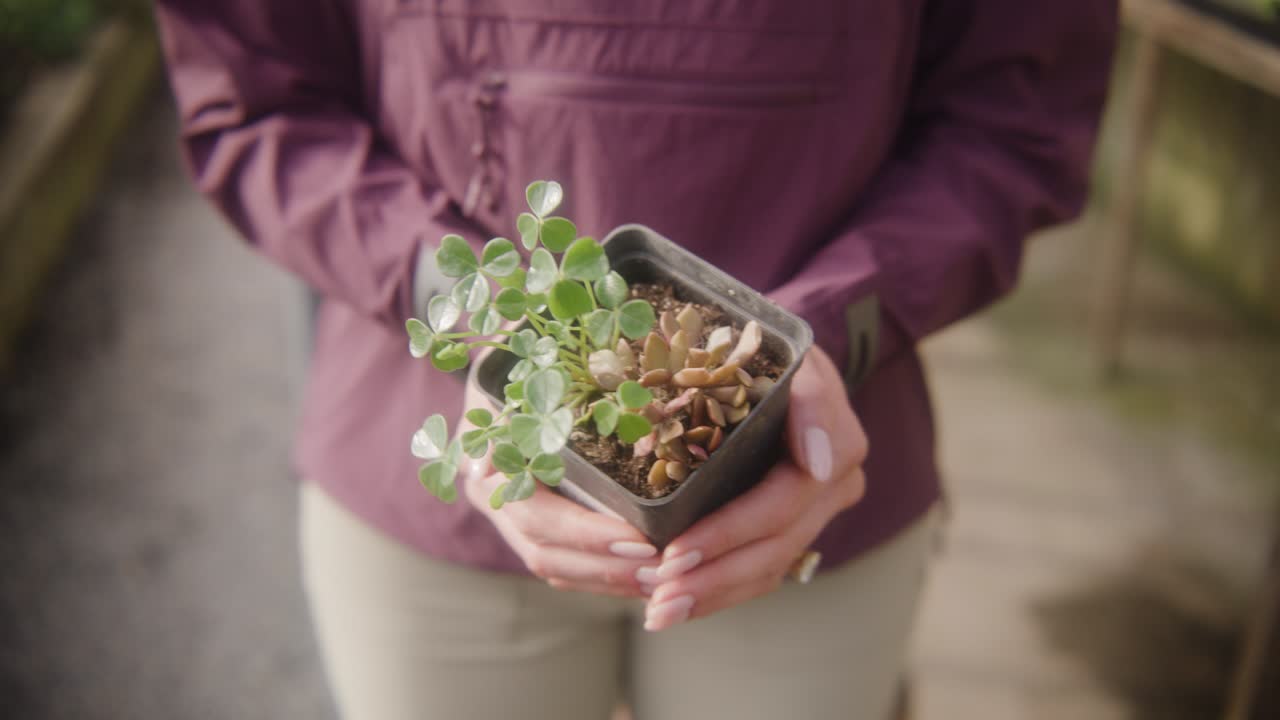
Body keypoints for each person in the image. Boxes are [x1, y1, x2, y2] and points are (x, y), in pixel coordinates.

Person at [153, 2, 1116, 718]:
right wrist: (474, 320)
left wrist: (808, 341)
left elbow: (1011, 120)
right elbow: (258, 99)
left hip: (810, 508)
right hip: (428, 515)